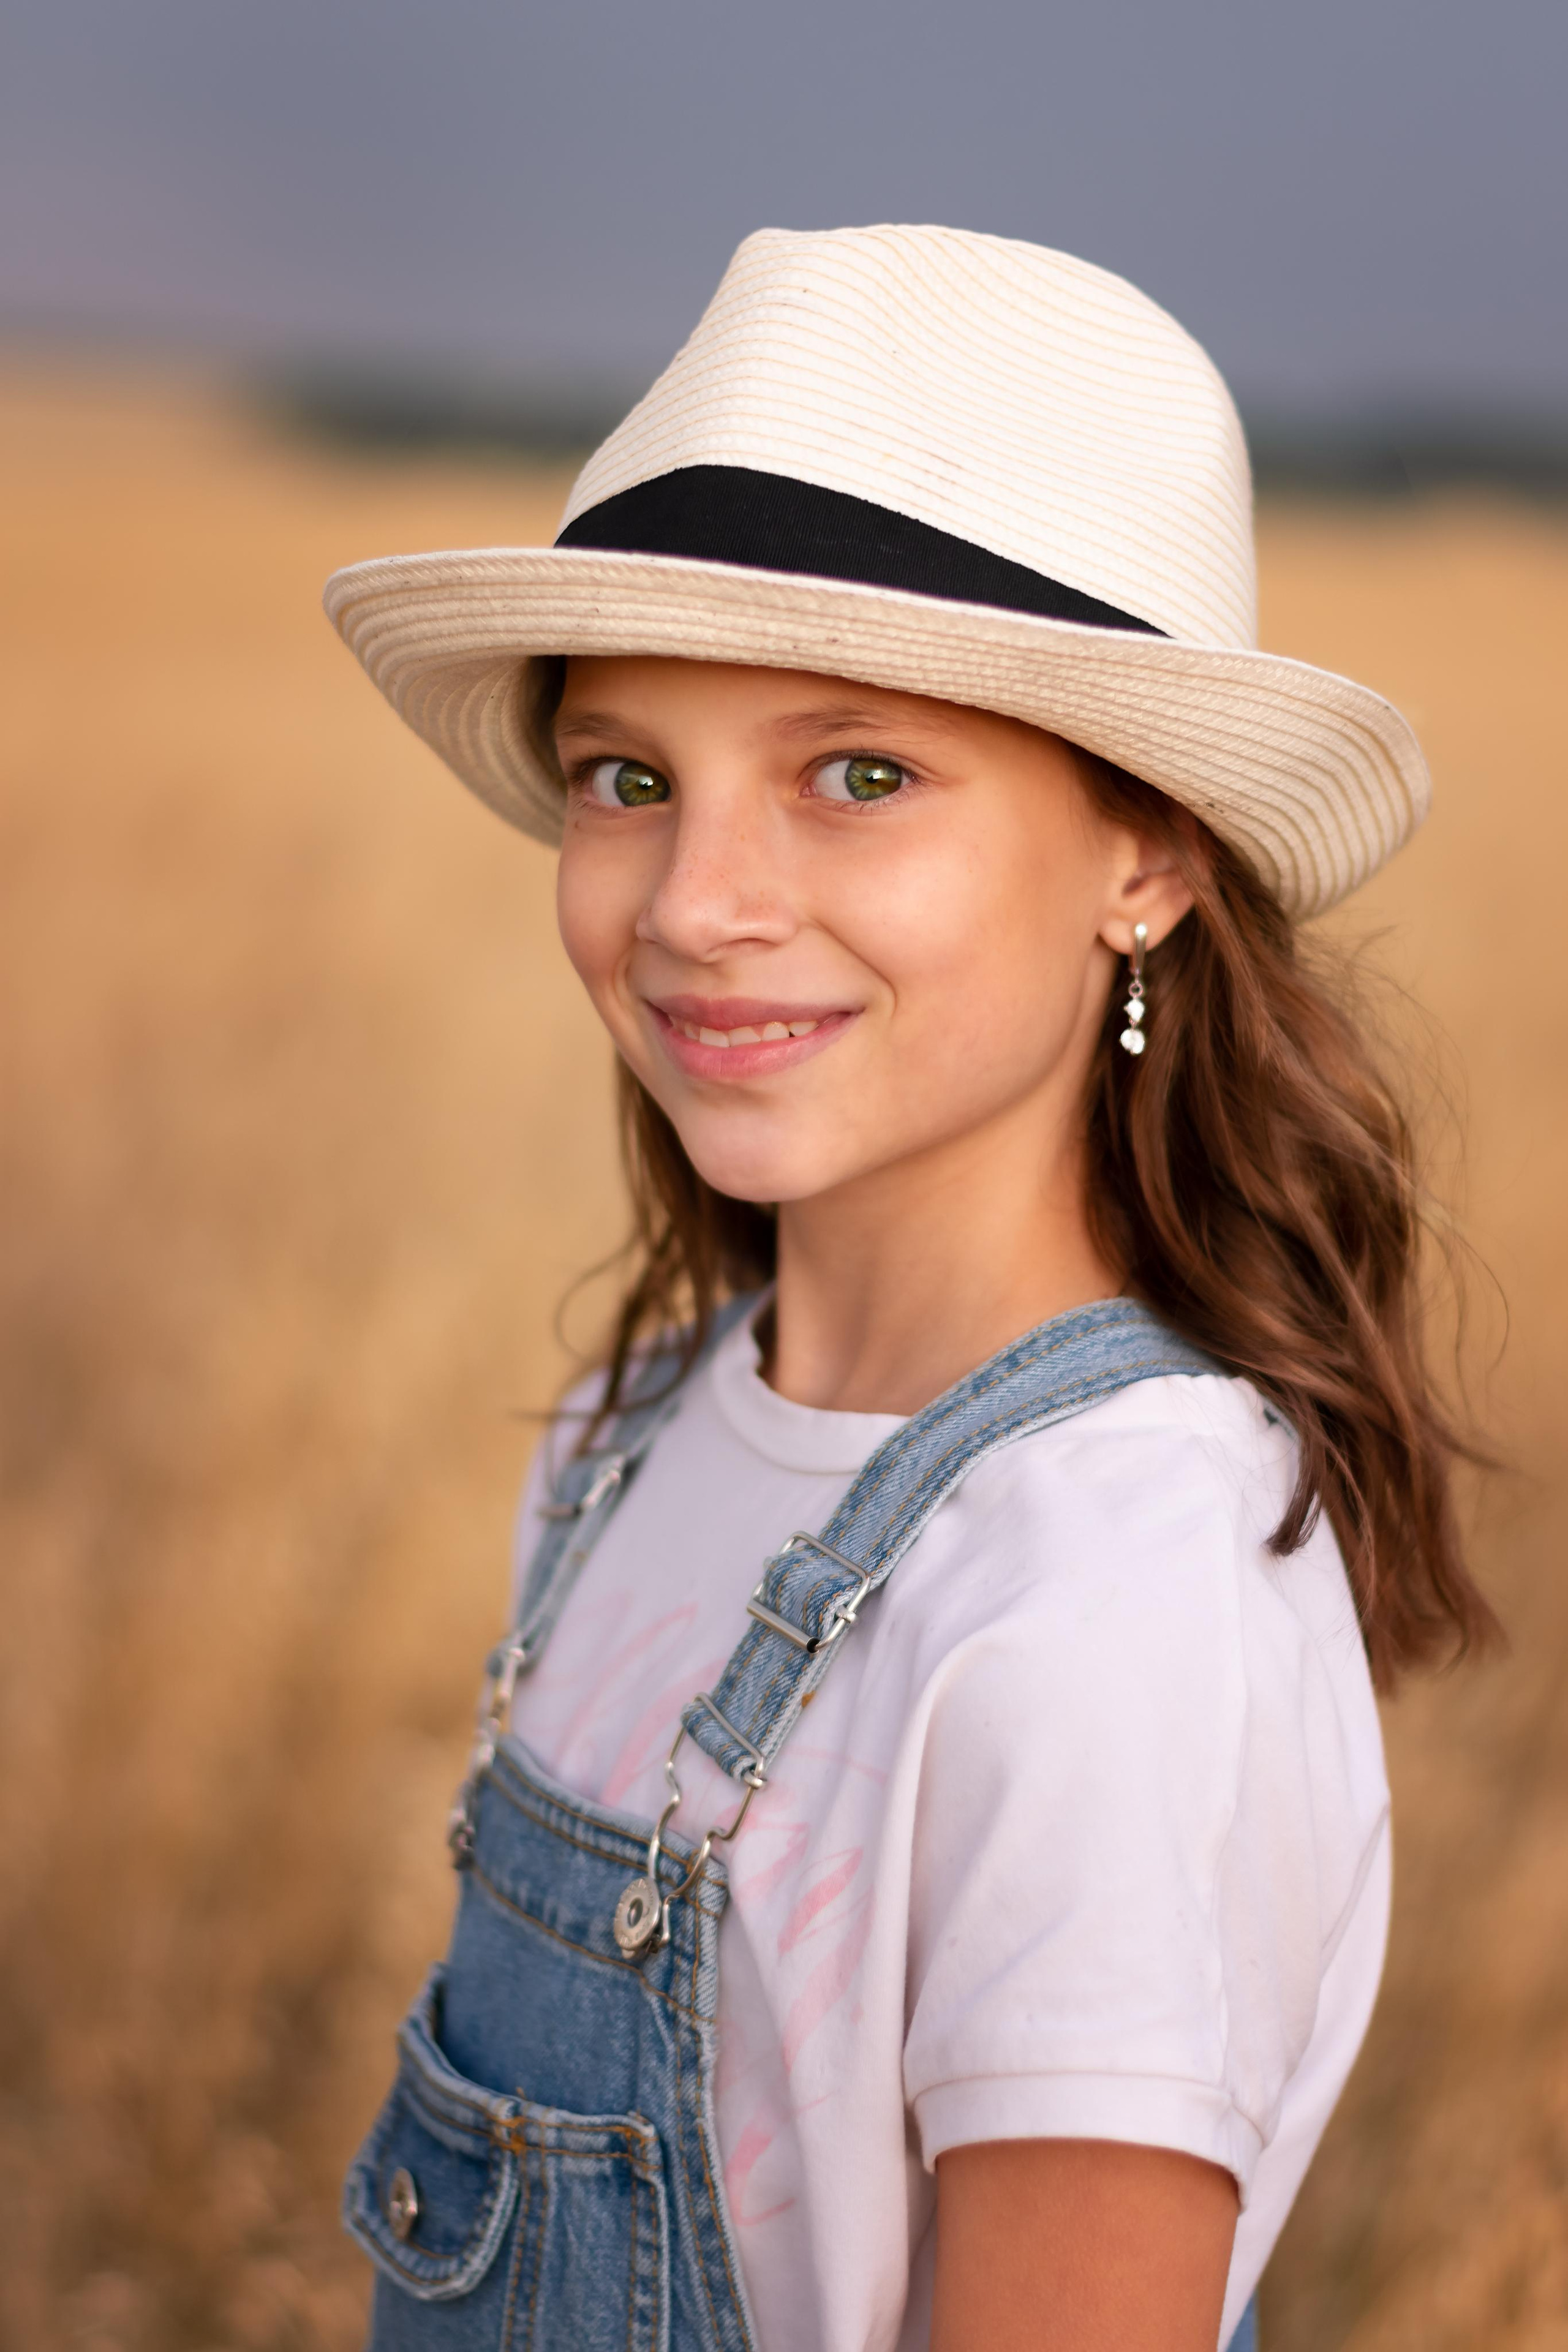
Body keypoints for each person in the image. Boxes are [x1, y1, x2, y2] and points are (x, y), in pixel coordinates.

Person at [325, 226, 1492, 2352]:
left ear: (1149, 856)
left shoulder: (1112, 1594)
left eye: (859, 775)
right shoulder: (634, 1434)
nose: (697, 903)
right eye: (628, 777)